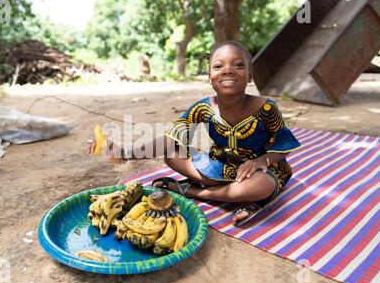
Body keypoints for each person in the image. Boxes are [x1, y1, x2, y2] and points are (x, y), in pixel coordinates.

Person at [85, 41, 301, 226]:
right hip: (220, 165)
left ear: (250, 76)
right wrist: (125, 152)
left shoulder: (266, 109)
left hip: (258, 172)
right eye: (218, 66)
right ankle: (228, 192)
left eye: (238, 65)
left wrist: (262, 160)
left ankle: (195, 192)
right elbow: (170, 139)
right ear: (210, 77)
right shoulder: (202, 109)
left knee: (262, 186)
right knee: (172, 153)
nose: (228, 70)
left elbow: (283, 147)